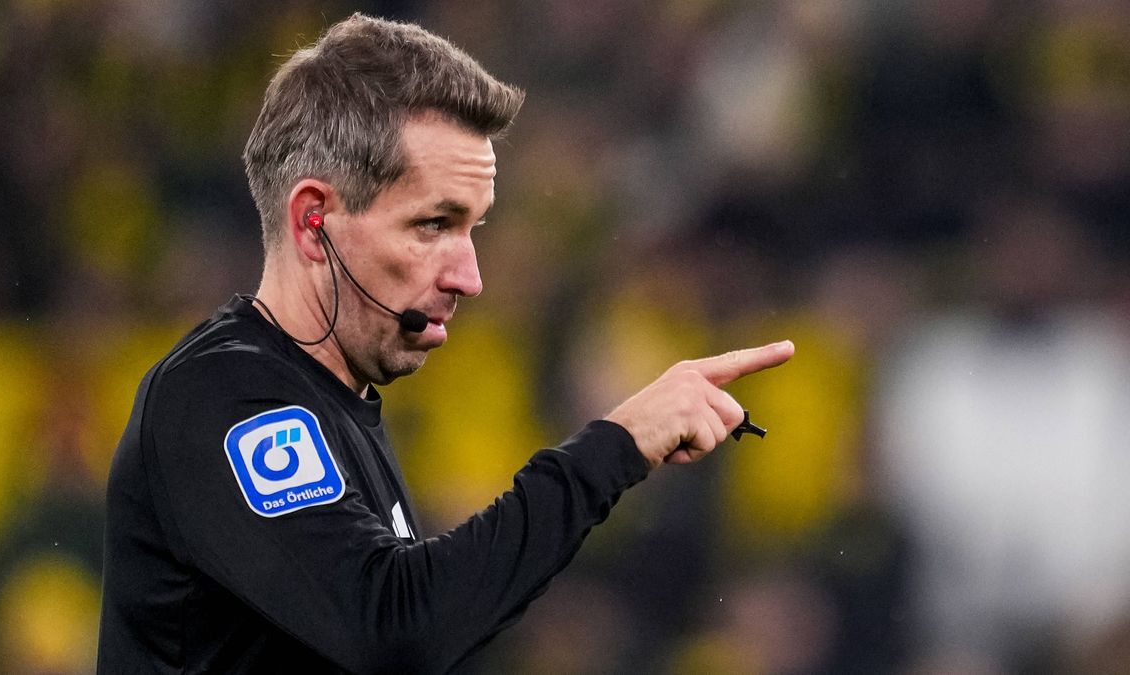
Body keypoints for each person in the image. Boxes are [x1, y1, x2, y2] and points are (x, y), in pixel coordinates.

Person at [96, 13, 793, 674]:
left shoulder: (336, 406)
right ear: (313, 222)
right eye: (433, 225)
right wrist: (613, 446)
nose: (470, 277)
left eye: (473, 229)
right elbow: (393, 630)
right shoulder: (225, 397)